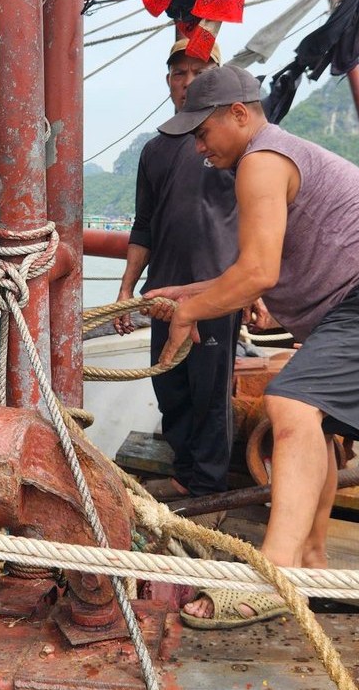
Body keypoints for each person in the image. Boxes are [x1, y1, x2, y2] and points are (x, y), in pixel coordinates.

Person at [146, 64, 359, 629]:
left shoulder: (261, 160)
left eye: (203, 131)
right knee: (317, 424)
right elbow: (254, 267)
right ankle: (310, 564)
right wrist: (184, 293)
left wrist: (188, 312)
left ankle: (274, 575)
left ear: (239, 114)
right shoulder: (268, 159)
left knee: (290, 405)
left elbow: (258, 272)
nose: (198, 147)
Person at [115, 38, 240, 500]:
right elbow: (143, 225)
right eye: (178, 73)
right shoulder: (154, 150)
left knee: (210, 390)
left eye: (198, 72)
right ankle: (185, 470)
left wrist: (258, 290)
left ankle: (207, 485)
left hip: (217, 289)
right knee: (170, 383)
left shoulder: (234, 143)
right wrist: (127, 290)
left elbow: (258, 219)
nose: (187, 82)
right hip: (163, 293)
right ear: (168, 82)